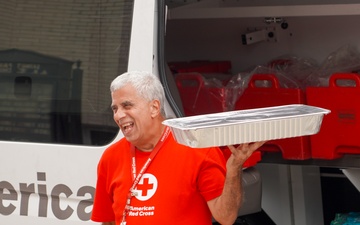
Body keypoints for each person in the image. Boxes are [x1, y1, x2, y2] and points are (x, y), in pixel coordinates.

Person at [91, 71, 265, 225]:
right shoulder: (110, 157)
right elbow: (109, 221)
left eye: (127, 106)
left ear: (154, 107)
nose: (119, 115)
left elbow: (226, 218)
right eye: (115, 108)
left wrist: (234, 169)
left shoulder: (197, 149)